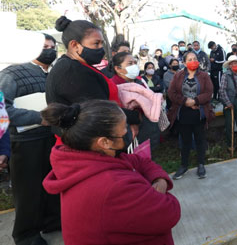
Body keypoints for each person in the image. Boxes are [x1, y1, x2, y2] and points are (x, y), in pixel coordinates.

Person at [41, 100, 180, 245]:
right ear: (104, 142)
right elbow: (170, 211)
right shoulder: (113, 188)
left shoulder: (85, 160)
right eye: (124, 131)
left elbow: (139, 161)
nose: (128, 132)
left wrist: (159, 179)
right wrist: (158, 192)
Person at [0, 34, 61, 245]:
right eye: (44, 46)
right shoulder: (11, 74)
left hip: (52, 138)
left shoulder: (53, 73)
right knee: (29, 191)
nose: (49, 50)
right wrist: (38, 118)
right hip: (25, 141)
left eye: (52, 46)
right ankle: (26, 235)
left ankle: (52, 221)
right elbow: (2, 110)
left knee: (52, 183)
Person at [46, 16, 141, 136]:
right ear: (75, 45)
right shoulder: (71, 71)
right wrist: (135, 117)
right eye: (96, 44)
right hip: (85, 142)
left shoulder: (80, 65)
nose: (101, 49)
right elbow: (99, 110)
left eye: (102, 44)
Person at [168, 51, 214, 180]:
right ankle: (184, 165)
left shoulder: (204, 75)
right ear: (184, 62)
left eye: (195, 58)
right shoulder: (178, 76)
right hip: (183, 113)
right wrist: (185, 102)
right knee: (185, 141)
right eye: (190, 59)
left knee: (200, 140)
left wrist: (195, 101)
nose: (193, 61)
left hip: (199, 113)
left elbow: (209, 92)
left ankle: (201, 164)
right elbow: (171, 93)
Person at [112, 53, 161, 149]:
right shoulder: (113, 85)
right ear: (117, 68)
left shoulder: (140, 81)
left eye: (135, 63)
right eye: (130, 63)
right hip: (128, 132)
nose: (134, 66)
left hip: (148, 128)